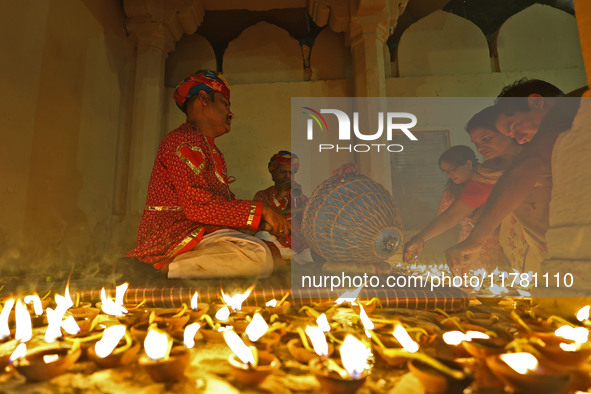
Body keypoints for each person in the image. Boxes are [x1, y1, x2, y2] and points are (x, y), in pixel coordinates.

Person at [127, 70, 290, 279]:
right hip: (175, 236)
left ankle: (192, 265)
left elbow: (221, 206)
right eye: (225, 104)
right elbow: (197, 206)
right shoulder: (181, 141)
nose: (230, 114)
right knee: (258, 256)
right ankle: (165, 268)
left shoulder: (211, 150)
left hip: (204, 231)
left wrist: (263, 222)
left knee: (266, 247)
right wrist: (261, 211)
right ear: (204, 99)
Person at [446, 79, 580, 273]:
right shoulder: (566, 130)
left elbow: (529, 165)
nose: (519, 139)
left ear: (536, 102)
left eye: (515, 126)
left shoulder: (572, 111)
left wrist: (475, 240)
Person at [404, 106, 521, 274]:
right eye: (477, 143)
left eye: (487, 139)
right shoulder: (487, 175)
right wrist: (420, 238)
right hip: (502, 249)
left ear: (509, 131)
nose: (480, 148)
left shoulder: (536, 161)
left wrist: (474, 241)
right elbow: (453, 214)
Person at [253, 150, 309, 259]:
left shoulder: (297, 194)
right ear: (273, 175)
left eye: (291, 173)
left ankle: (292, 257)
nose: (287, 176)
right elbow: (259, 219)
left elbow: (310, 214)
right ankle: (288, 257)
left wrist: (301, 197)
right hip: (275, 236)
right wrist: (281, 193)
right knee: (262, 235)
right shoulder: (262, 195)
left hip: (296, 239)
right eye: (283, 172)